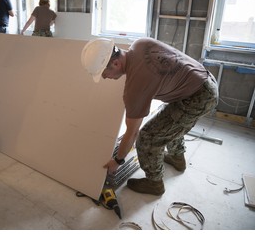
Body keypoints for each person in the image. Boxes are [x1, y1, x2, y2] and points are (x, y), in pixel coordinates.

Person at [81, 37, 218, 196]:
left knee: (148, 137)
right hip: (203, 81)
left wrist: (117, 161)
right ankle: (177, 158)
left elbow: (132, 132)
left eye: (104, 73)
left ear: (116, 63)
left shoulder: (135, 87)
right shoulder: (140, 44)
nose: (104, 77)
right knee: (170, 122)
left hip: (197, 98)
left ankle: (154, 183)